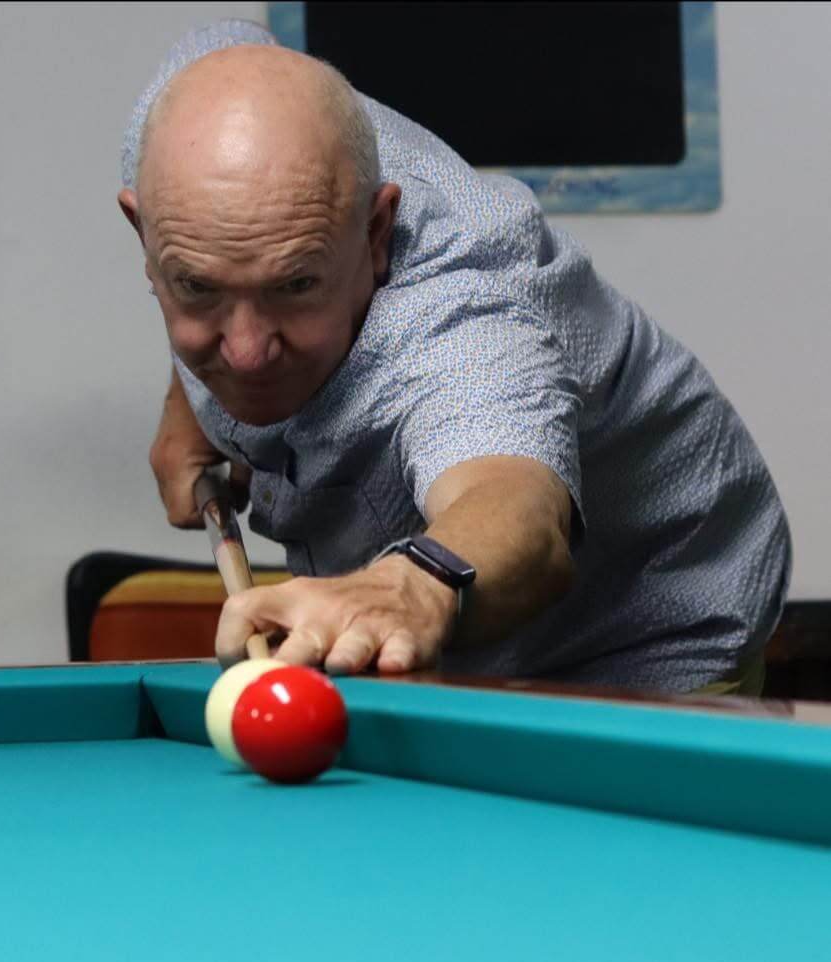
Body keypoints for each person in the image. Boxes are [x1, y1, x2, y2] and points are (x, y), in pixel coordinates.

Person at [117, 20, 791, 694]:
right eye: (198, 288)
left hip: (645, 629)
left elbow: (513, 503)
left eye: (295, 286)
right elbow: (226, 244)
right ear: (143, 228)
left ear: (376, 232)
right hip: (447, 634)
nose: (246, 351)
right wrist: (189, 405)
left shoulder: (461, 315)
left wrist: (414, 587)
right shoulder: (190, 118)